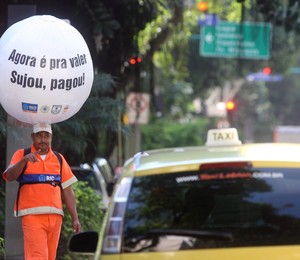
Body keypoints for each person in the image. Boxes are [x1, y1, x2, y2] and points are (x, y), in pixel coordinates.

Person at [2, 122, 81, 260]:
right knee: (38, 256)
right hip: (32, 216)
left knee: (50, 257)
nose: (43, 140)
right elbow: (9, 176)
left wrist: (75, 218)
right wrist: (24, 161)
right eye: (39, 136)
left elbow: (68, 191)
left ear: (51, 137)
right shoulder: (22, 154)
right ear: (33, 137)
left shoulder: (59, 158)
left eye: (46, 136)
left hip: (55, 217)